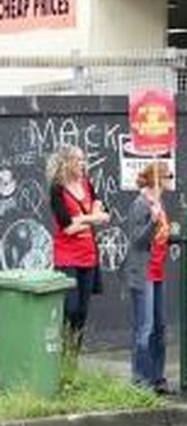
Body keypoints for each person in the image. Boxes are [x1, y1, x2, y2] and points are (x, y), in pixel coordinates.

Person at [47, 144, 109, 353]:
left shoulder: (87, 184)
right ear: (66, 162)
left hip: (88, 255)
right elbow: (69, 227)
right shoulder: (57, 189)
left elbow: (105, 214)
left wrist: (84, 218)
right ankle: (62, 353)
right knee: (70, 308)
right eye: (78, 160)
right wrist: (93, 218)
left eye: (83, 160)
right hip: (67, 258)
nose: (83, 164)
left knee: (82, 311)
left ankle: (72, 359)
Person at [123, 163, 174, 394]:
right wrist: (153, 221)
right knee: (145, 327)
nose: (172, 179)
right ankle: (141, 379)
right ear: (157, 179)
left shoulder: (158, 203)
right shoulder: (140, 204)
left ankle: (157, 377)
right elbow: (137, 240)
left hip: (158, 270)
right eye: (168, 176)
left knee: (160, 326)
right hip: (143, 272)